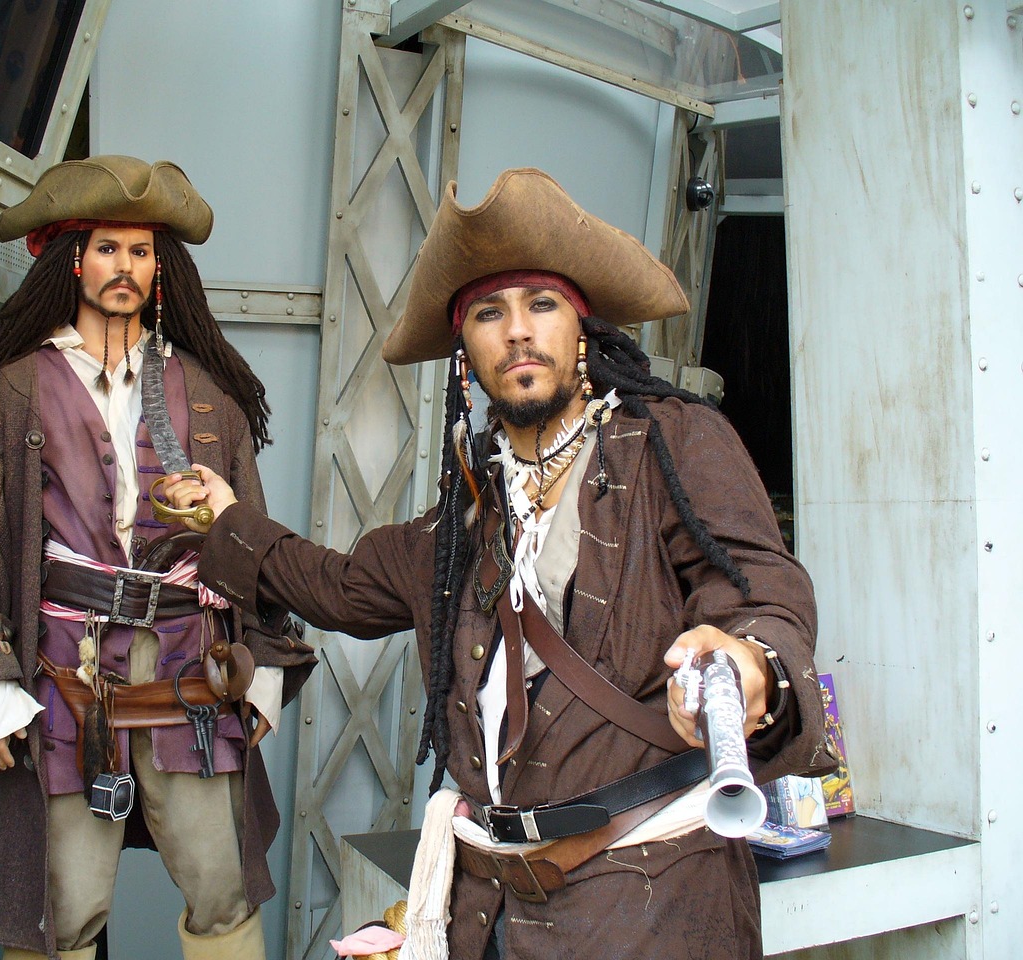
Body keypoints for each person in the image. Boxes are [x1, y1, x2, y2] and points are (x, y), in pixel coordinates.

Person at [167, 168, 831, 959]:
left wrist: (749, 663)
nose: (517, 331)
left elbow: (760, 592)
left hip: (651, 903)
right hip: (494, 909)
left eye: (541, 304)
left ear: (582, 329)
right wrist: (227, 520)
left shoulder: (670, 443)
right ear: (464, 355)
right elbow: (341, 588)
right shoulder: (469, 509)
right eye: (489, 313)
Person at [0, 155, 315, 960]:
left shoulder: (209, 394)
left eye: (141, 251)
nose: (125, 266)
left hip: (190, 668)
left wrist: (264, 658)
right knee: (63, 901)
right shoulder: (13, 391)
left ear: (160, 267)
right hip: (66, 669)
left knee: (222, 886)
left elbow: (250, 534)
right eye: (108, 248)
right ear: (73, 259)